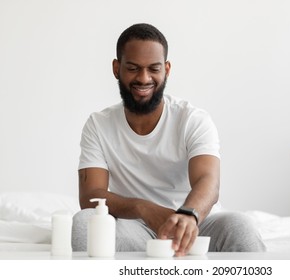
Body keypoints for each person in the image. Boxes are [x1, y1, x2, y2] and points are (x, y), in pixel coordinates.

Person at [71, 23, 265, 256]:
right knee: (85, 222)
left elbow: (209, 182)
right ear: (116, 68)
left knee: (240, 225)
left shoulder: (192, 119)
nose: (144, 78)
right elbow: (90, 195)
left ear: (167, 69)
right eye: (133, 68)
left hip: (195, 222)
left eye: (154, 68)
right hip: (134, 227)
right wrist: (143, 208)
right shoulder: (98, 124)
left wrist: (188, 215)